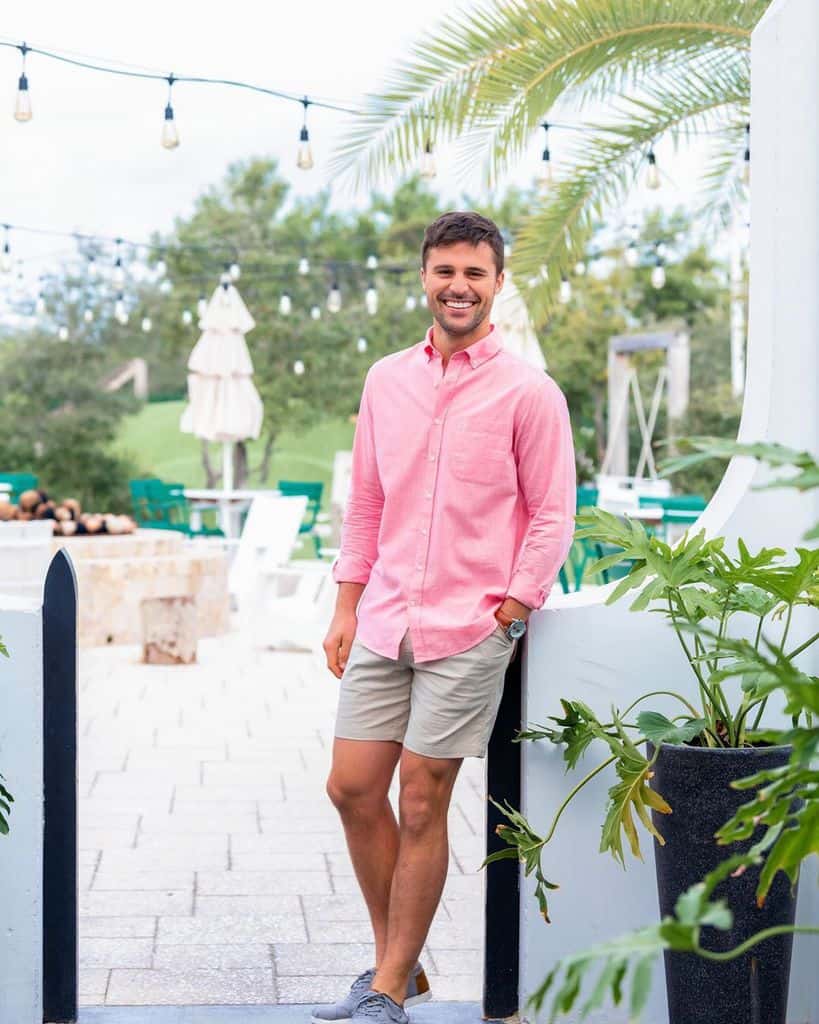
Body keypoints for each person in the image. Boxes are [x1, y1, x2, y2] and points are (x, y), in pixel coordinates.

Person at [313, 211, 576, 1024]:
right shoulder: (384, 380)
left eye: (473, 273)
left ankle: (388, 984)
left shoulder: (529, 392)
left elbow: (552, 514)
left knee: (422, 799)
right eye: (444, 271)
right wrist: (347, 603)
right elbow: (365, 500)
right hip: (386, 617)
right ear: (424, 278)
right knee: (352, 788)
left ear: (496, 284)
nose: (457, 287)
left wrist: (511, 608)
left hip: (469, 627)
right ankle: (402, 962)